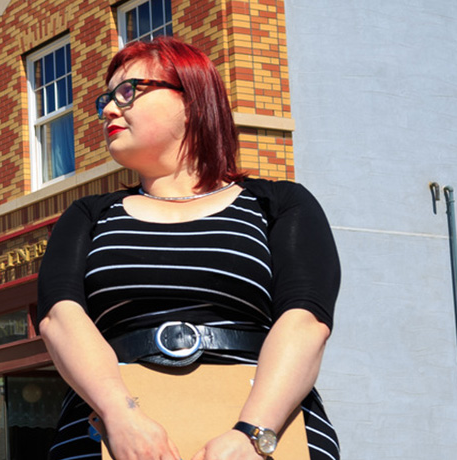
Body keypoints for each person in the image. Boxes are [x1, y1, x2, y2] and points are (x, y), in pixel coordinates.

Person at [35, 37, 341, 460]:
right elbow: (59, 319)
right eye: (105, 97)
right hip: (111, 436)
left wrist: (251, 434)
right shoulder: (88, 216)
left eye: (128, 92)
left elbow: (305, 322)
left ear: (192, 99)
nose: (108, 108)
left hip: (265, 433)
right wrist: (122, 417)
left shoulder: (279, 204)